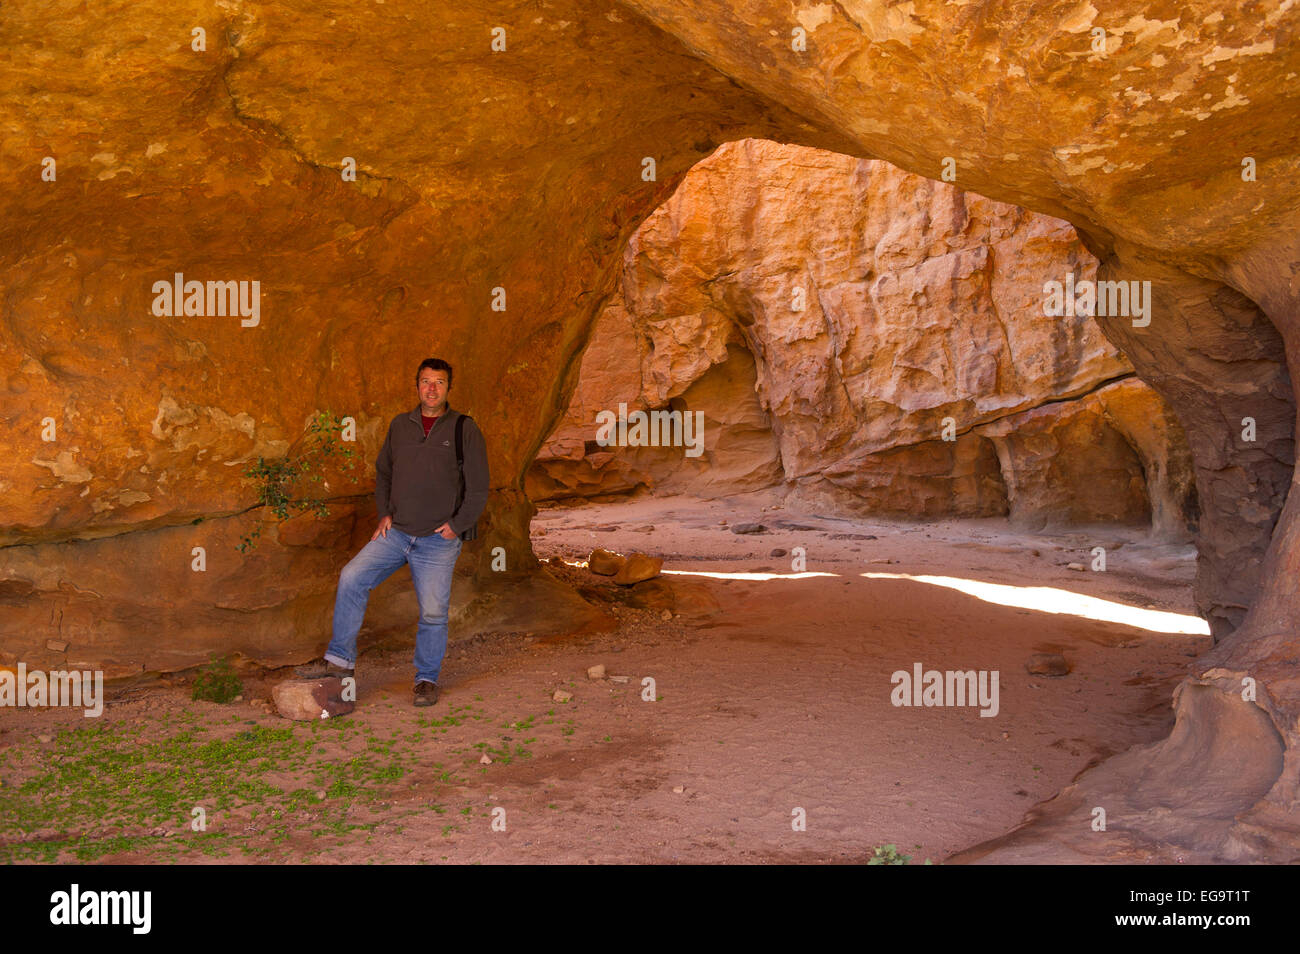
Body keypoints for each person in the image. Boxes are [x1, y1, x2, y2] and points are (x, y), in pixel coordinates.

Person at [296, 358, 489, 706]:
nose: (431, 388)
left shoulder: (464, 429)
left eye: (439, 382)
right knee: (352, 577)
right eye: (425, 381)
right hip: (396, 534)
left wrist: (456, 527)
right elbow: (383, 472)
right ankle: (340, 663)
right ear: (416, 386)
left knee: (432, 612)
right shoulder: (401, 425)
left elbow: (478, 488)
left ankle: (426, 679)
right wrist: (384, 513)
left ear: (448, 387)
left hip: (436, 542)